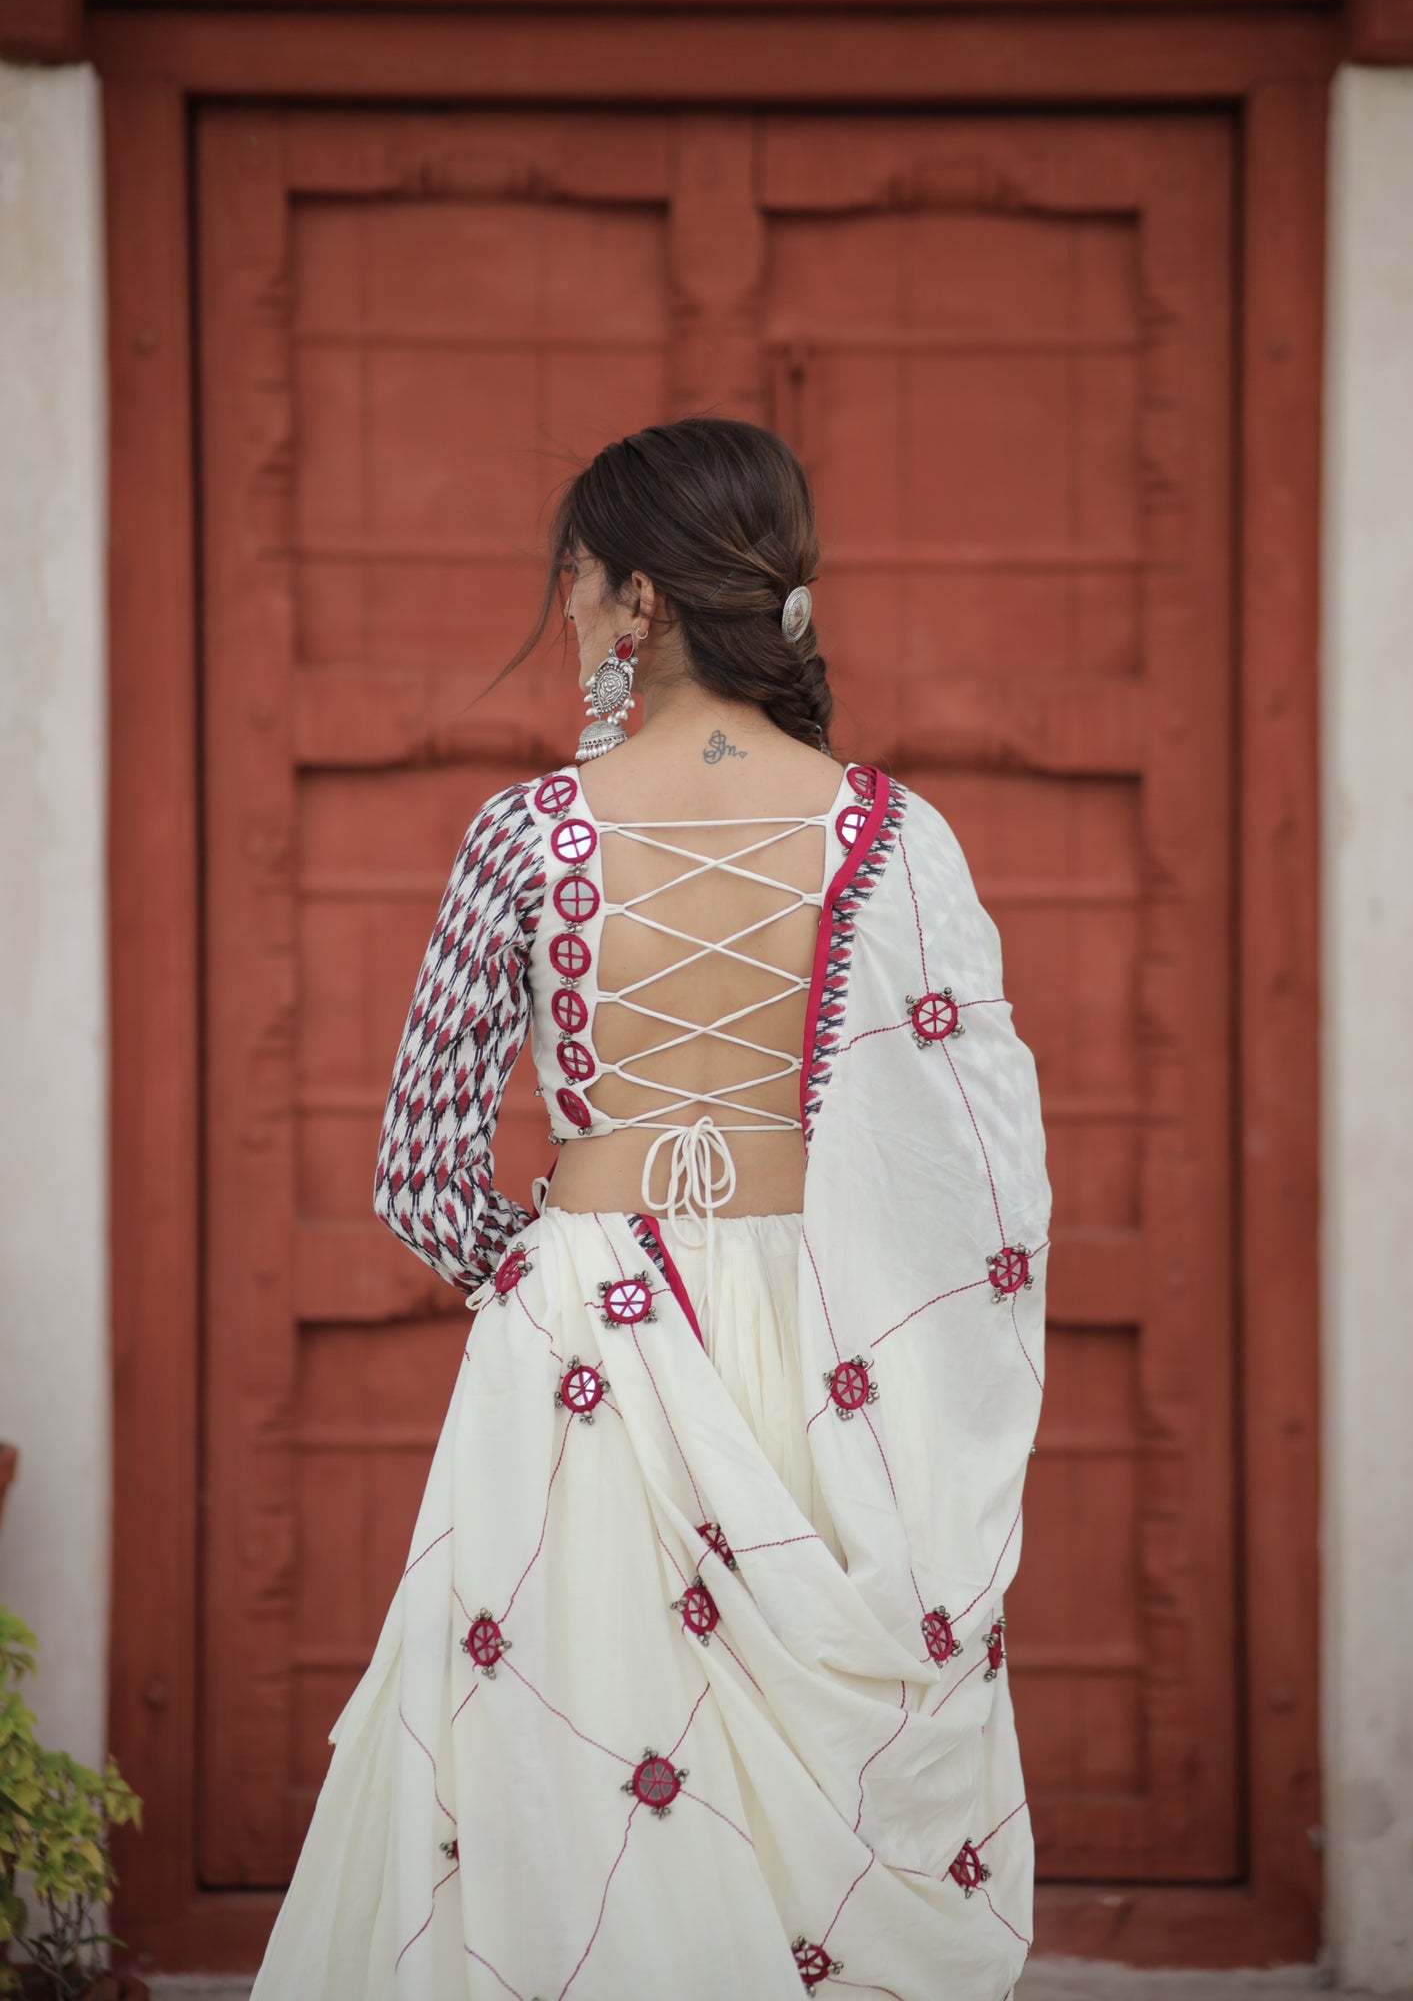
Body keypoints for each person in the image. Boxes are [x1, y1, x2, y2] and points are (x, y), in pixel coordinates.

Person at [250, 415, 1051, 2000]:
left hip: (582, 1355)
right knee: (798, 1834)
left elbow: (418, 1174)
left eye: (575, 580)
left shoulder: (522, 838)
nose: (563, 611)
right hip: (831, 1357)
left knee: (570, 1772)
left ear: (637, 603)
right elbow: (976, 1173)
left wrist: (559, 1281)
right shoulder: (896, 840)